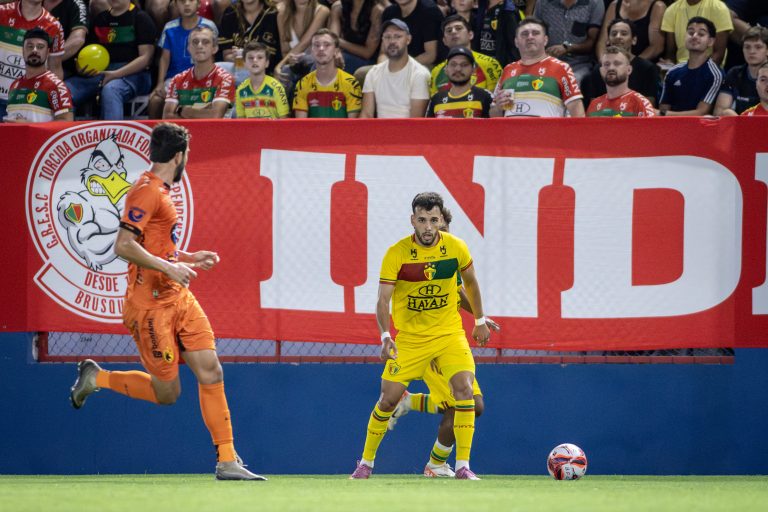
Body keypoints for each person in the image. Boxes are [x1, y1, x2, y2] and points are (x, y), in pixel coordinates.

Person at [69, 122, 266, 481]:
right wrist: (170, 268)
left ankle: (227, 461)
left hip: (178, 298)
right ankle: (98, 377)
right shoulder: (146, 192)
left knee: (211, 370)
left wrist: (188, 257)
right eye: (187, 154)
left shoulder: (160, 189)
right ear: (179, 156)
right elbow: (123, 245)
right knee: (168, 393)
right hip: (150, 308)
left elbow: (155, 243)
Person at [349, 191, 491, 480]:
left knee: (465, 393)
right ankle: (365, 464)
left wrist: (479, 320)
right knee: (387, 399)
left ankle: (462, 467)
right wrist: (385, 335)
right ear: (412, 220)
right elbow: (383, 299)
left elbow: (469, 284)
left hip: (449, 335)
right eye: (422, 220)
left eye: (433, 220)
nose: (428, 226)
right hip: (411, 339)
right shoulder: (397, 253)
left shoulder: (455, 247)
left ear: (440, 221)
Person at [386, 205, 499, 478]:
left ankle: (412, 404)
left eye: (441, 227)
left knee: (472, 405)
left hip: (447, 338)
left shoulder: (449, 255)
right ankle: (436, 464)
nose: (435, 231)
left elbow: (458, 293)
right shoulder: (411, 258)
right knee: (463, 405)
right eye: (429, 224)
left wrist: (480, 317)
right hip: (425, 342)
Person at [64, 0, 156, 120]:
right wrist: (81, 68)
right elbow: (89, 53)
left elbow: (146, 58)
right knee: (64, 90)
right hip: (103, 74)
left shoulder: (141, 18)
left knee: (111, 90)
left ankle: (112, 132)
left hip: (135, 75)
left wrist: (115, 74)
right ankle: (65, 130)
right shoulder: (100, 19)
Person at [491, 17, 585, 117]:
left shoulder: (561, 68)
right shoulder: (507, 70)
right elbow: (493, 114)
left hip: (547, 127)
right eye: (524, 34)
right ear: (516, 42)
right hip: (511, 127)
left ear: (545, 40)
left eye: (535, 33)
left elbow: (577, 111)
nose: (530, 37)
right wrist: (497, 108)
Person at [148, 0, 218, 119]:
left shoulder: (209, 26)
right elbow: (164, 58)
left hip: (201, 79)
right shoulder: (169, 27)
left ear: (199, 4)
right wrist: (160, 83)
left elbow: (212, 56)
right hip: (174, 79)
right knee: (155, 100)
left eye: (191, 0)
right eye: (182, 1)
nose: (186, 4)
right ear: (175, 5)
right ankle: (156, 131)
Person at [0, 0, 65, 119]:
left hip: (24, 103)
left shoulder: (53, 26)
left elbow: (55, 68)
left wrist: (52, 104)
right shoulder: (2, 13)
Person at [359, 19, 431, 118]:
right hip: (380, 127)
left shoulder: (419, 74)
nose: (392, 41)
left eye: (398, 36)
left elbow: (416, 120)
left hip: (407, 127)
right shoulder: (373, 72)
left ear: (408, 39)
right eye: (387, 37)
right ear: (382, 40)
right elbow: (366, 114)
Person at [581, 18, 659, 107]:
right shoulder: (599, 69)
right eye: (614, 34)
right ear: (608, 40)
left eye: (624, 34)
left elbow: (649, 106)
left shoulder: (647, 68)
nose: (618, 37)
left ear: (634, 40)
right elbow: (594, 107)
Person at [162, 26, 234, 119]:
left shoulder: (225, 79)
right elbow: (167, 116)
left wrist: (184, 111)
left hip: (216, 129)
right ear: (188, 48)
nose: (199, 46)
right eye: (195, 42)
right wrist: (203, 111)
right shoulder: (177, 79)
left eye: (205, 42)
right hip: (183, 129)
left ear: (215, 48)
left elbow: (215, 115)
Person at [4, 27, 73, 121]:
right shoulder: (14, 85)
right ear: (23, 50)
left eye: (40, 47)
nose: (34, 50)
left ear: (47, 52)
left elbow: (66, 122)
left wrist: (28, 126)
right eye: (30, 46)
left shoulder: (56, 86)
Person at [659, 16, 723, 116]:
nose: (694, 36)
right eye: (690, 32)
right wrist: (663, 114)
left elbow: (701, 112)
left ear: (710, 41)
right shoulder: (673, 72)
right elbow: (663, 108)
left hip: (699, 125)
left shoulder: (715, 74)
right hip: (670, 123)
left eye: (701, 34)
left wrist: (664, 114)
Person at [293, 29, 361, 118]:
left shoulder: (351, 83)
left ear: (336, 51)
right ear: (311, 51)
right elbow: (301, 124)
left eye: (327, 45)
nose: (321, 49)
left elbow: (353, 124)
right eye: (316, 45)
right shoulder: (302, 84)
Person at [534, 0, 605, 84]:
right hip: (547, 61)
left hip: (580, 64)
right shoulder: (542, 3)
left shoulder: (595, 3)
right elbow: (535, 35)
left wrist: (567, 47)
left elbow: (591, 42)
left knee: (573, 83)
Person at [429, 14, 502, 97]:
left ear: (470, 35)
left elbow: (495, 98)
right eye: (449, 30)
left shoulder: (489, 63)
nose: (453, 32)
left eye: (458, 28)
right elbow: (434, 101)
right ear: (444, 41)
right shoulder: (436, 71)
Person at [274, 0, 330, 90]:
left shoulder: (322, 11)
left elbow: (305, 42)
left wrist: (280, 65)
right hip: (295, 65)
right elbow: (285, 51)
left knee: (304, 62)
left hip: (317, 62)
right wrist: (289, 60)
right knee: (284, 72)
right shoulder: (282, 16)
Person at [586, 45, 655, 116]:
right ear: (601, 71)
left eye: (617, 64)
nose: (611, 68)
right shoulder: (594, 105)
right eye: (606, 64)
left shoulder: (640, 103)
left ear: (629, 70)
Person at [714, 26, 768, 116]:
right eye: (747, 47)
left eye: (758, 47)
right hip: (739, 122)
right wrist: (740, 121)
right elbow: (720, 111)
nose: (752, 51)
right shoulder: (734, 73)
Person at [218, 0, 282, 77]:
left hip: (267, 75)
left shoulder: (274, 13)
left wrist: (246, 57)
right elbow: (227, 55)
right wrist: (236, 57)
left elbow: (277, 55)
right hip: (239, 73)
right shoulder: (230, 12)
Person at [660, 0, 732, 66]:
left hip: (708, 68)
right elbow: (671, 54)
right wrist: (668, 64)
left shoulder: (718, 7)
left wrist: (695, 72)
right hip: (680, 68)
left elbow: (718, 54)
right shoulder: (672, 10)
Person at [427, 46, 493, 118]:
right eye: (453, 64)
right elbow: (427, 125)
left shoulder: (484, 96)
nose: (458, 69)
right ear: (446, 70)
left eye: (464, 65)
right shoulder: (436, 99)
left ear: (473, 70)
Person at [595, 0, 666, 61]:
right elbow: (602, 42)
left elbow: (656, 47)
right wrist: (604, 62)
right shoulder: (614, 5)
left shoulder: (658, 6)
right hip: (612, 63)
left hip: (642, 63)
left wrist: (631, 64)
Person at [381, 0, 444, 67]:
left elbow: (430, 56)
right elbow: (383, 53)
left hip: (430, 66)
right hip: (400, 65)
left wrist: (400, 67)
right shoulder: (389, 13)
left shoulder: (429, 10)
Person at [235, 40, 290, 118]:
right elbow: (241, 121)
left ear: (267, 63)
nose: (255, 60)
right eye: (250, 58)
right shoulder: (240, 90)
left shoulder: (276, 87)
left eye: (260, 57)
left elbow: (284, 120)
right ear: (244, 63)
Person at [328, 0, 384, 74]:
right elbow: (332, 41)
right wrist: (336, 51)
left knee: (336, 61)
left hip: (367, 61)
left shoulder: (377, 11)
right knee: (324, 56)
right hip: (343, 53)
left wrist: (338, 42)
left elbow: (367, 53)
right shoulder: (338, 7)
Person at [43, 0, 87, 78]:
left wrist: (46, 61)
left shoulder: (77, 4)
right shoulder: (33, 2)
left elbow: (77, 40)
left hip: (63, 67)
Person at [473, 0, 521, 66]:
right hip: (482, 64)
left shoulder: (509, 11)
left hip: (501, 66)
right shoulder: (481, 7)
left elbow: (514, 46)